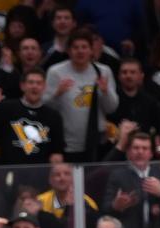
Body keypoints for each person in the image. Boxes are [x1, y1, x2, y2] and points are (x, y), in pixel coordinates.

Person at [42, 29, 118, 162]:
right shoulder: (55, 72)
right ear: (69, 51)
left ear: (91, 50)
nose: (80, 51)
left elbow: (111, 108)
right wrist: (57, 93)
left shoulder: (103, 71)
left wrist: (105, 92)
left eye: (84, 47)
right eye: (75, 47)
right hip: (66, 143)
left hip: (96, 142)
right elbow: (45, 106)